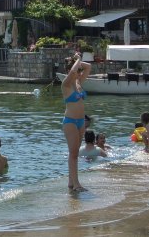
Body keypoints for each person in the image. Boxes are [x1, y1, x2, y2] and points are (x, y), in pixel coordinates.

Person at [61, 52, 92, 192]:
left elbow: (89, 67)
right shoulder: (66, 84)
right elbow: (74, 70)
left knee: (74, 153)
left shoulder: (79, 82)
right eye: (75, 70)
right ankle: (77, 184)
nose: (78, 72)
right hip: (70, 121)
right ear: (69, 71)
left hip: (81, 121)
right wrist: (78, 59)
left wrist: (78, 60)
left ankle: (70, 181)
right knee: (73, 153)